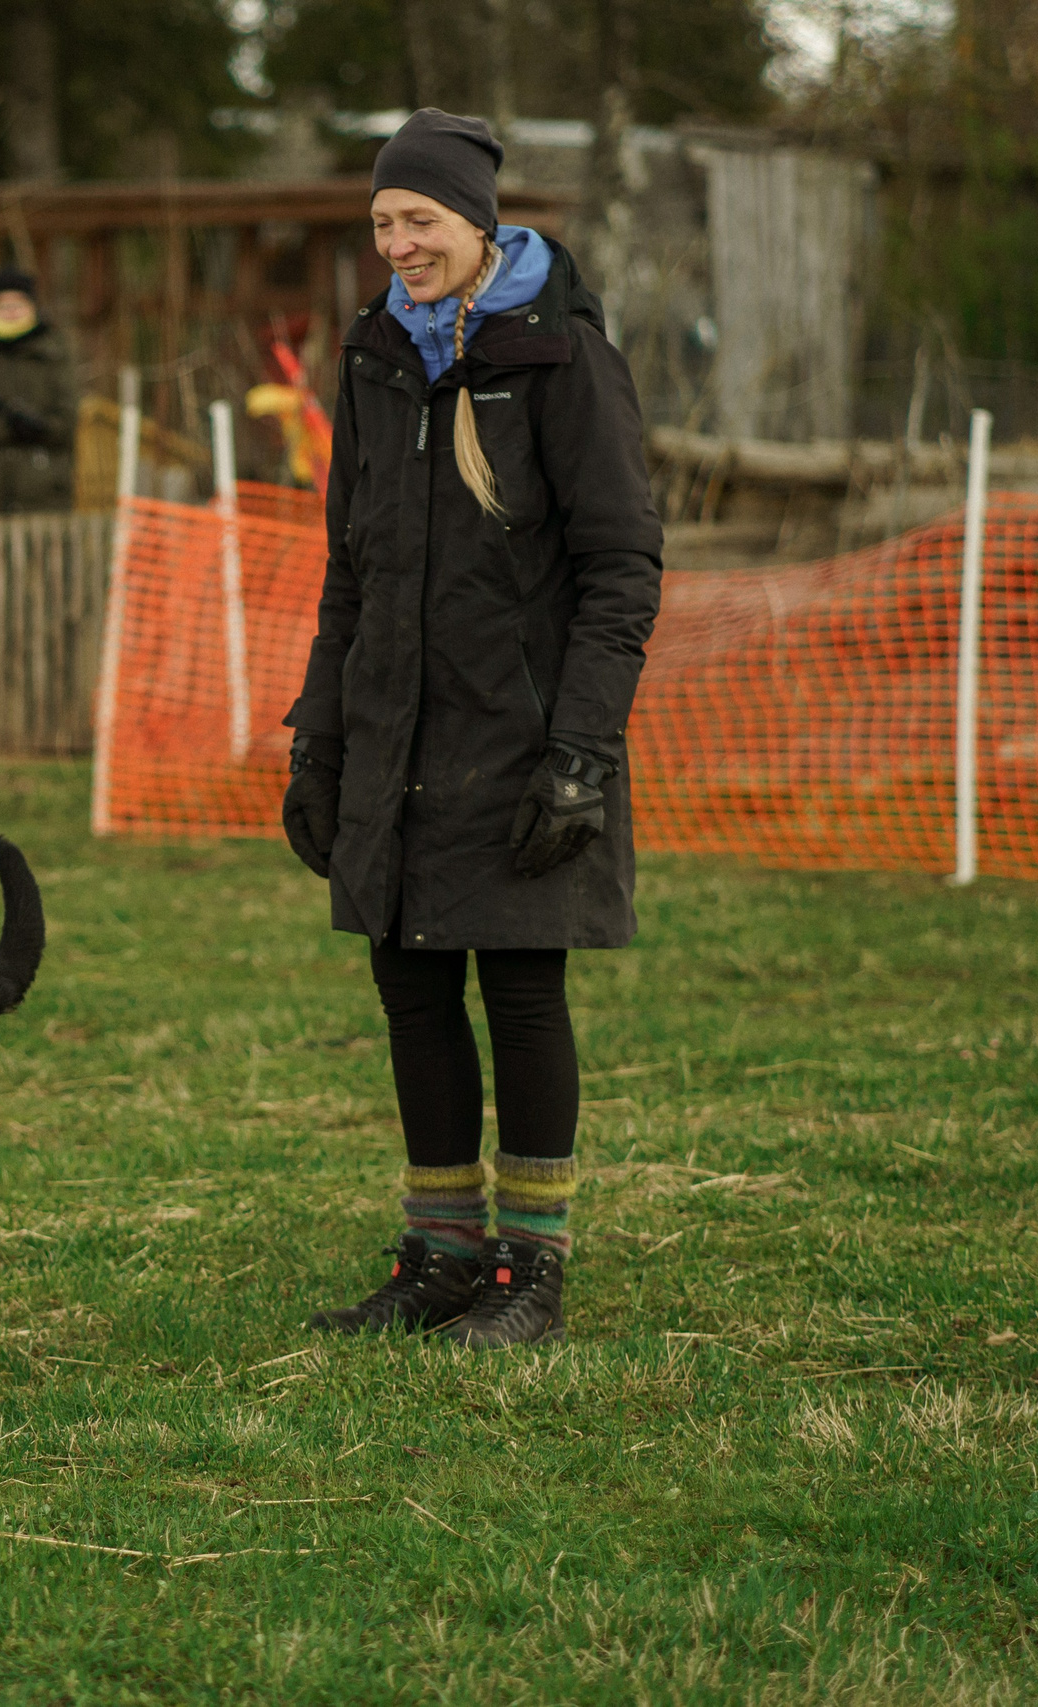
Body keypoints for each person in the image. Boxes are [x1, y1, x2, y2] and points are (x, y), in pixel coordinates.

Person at [281, 108, 663, 1348]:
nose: (398, 244)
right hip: (394, 735)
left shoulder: (561, 358)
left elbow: (620, 568)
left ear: (477, 222)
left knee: (519, 989)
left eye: (420, 219)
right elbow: (350, 569)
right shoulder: (373, 357)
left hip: (522, 741)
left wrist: (580, 754)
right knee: (409, 985)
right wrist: (319, 738)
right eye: (381, 222)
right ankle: (441, 1254)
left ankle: (527, 1270)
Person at [0, 266, 77, 513]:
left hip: (44, 498)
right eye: (2, 305)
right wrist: (6, 426)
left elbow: (66, 425)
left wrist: (36, 427)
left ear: (32, 307)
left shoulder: (54, 353)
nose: (10, 311)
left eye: (18, 304)